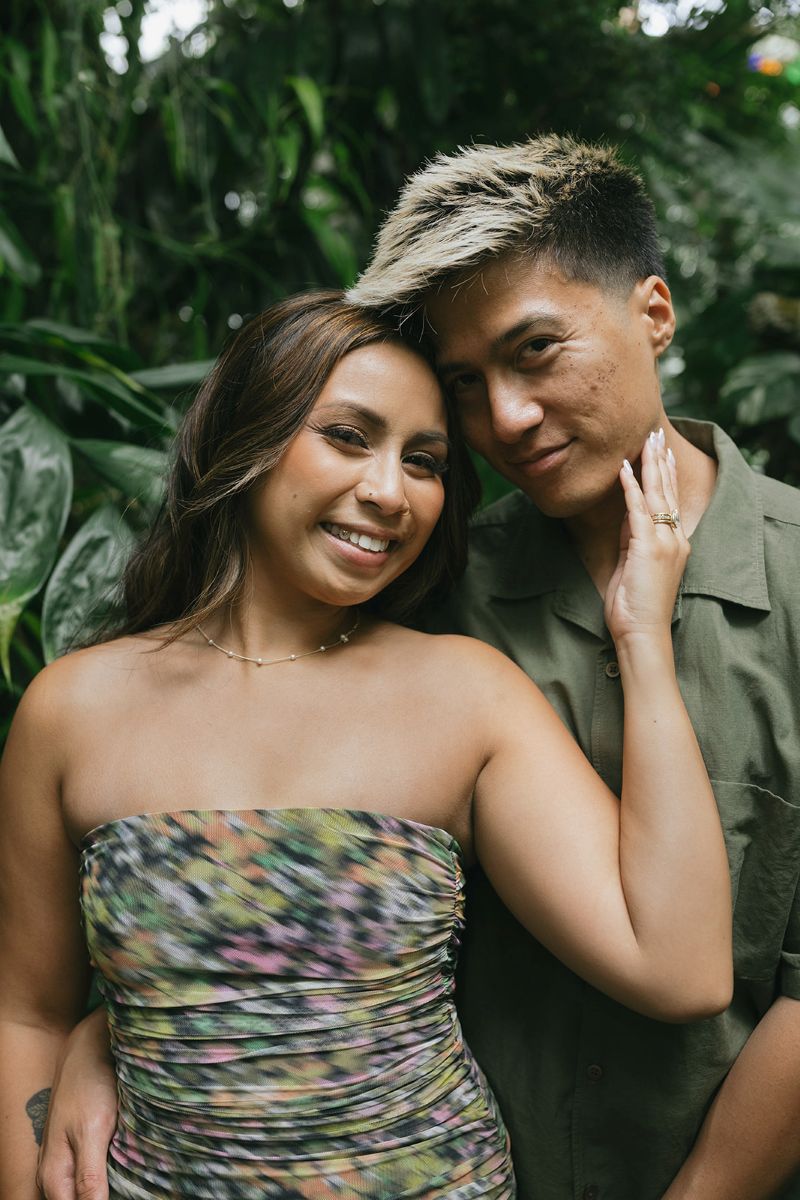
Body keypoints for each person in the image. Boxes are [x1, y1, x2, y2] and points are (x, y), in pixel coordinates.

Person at [0, 289, 732, 1200]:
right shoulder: (72, 709)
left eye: (423, 461)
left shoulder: (466, 694)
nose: (390, 492)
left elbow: (681, 966)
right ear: (250, 435)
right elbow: (25, 1011)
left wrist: (642, 639)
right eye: (349, 437)